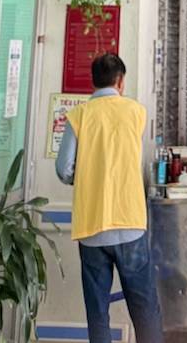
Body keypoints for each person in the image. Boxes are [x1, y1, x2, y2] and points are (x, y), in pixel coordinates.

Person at [55, 53, 164, 343]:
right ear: (120, 81)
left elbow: (64, 169)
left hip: (92, 228)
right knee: (144, 309)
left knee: (98, 311)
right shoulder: (136, 112)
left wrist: (88, 177)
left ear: (93, 82)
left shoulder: (78, 116)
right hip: (130, 223)